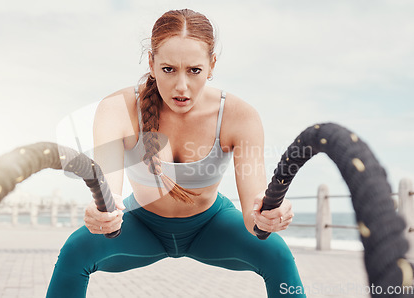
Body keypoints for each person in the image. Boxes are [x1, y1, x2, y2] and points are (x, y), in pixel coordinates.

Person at [47, 9, 305, 297]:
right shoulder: (116, 109)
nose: (181, 87)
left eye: (194, 70)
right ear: (152, 62)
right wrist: (103, 214)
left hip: (210, 224)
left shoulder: (239, 116)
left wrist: (267, 217)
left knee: (276, 253)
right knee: (75, 250)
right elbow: (110, 193)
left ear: (211, 65)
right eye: (169, 69)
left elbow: (252, 214)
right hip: (141, 224)